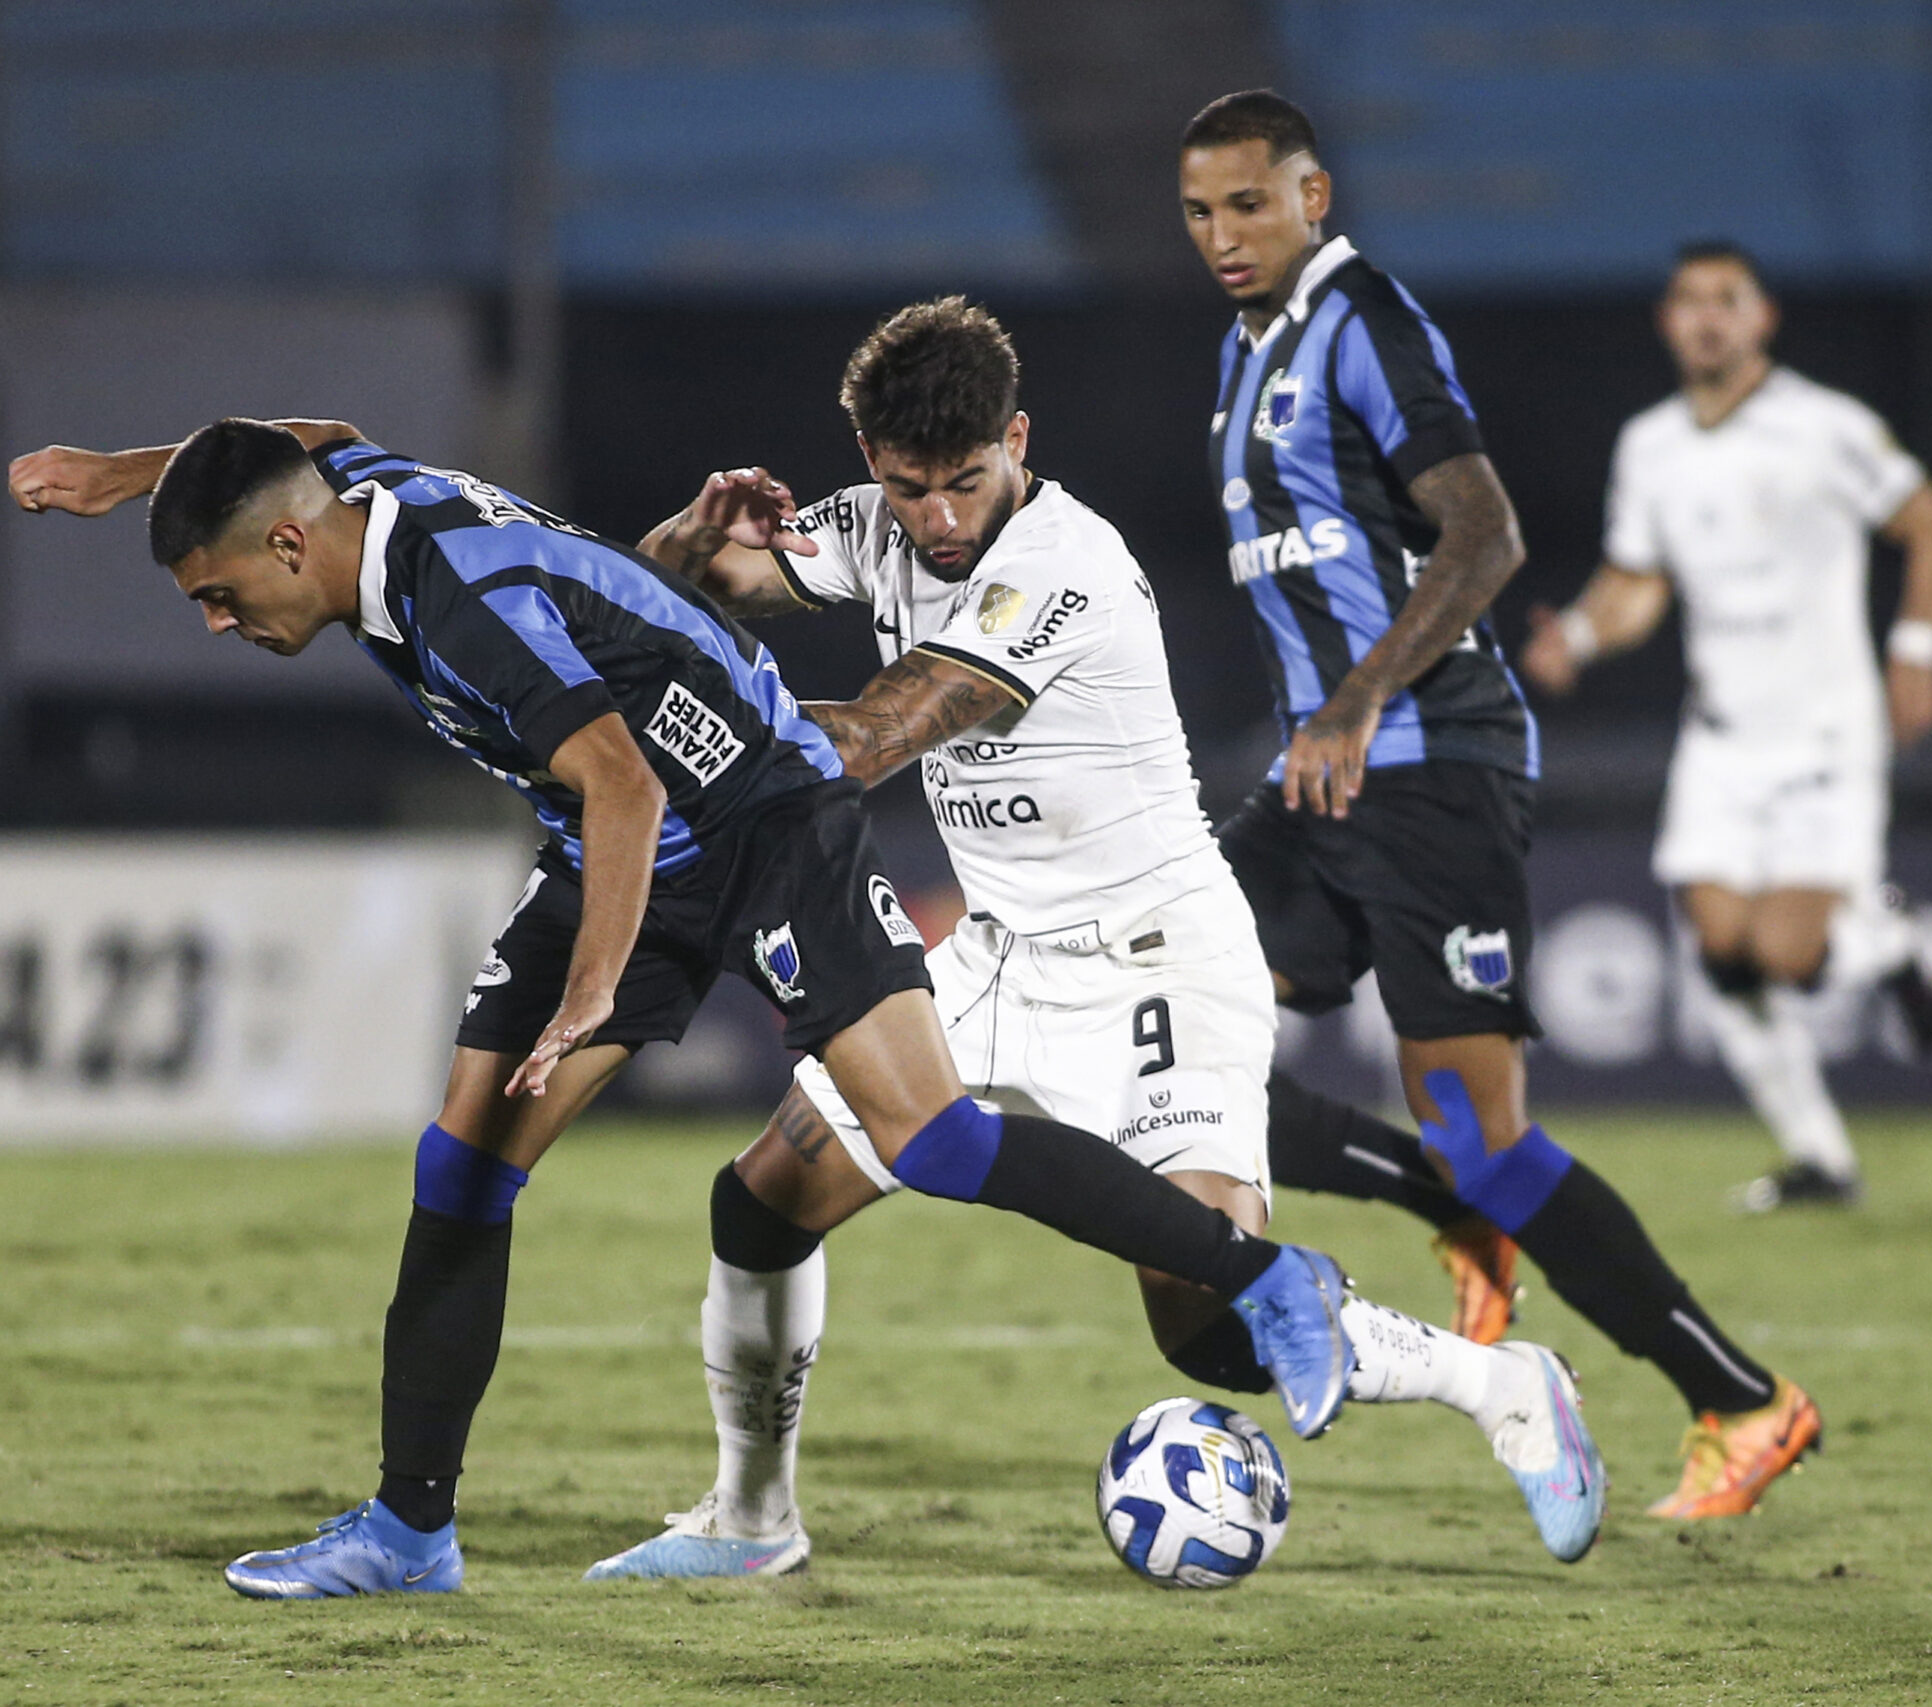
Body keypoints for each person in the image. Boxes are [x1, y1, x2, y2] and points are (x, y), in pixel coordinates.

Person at [5, 417, 1366, 1598]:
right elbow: (293, 433)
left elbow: (625, 783)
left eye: (217, 589)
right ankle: (410, 1524)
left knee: (933, 1138)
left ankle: (1267, 1279)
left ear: (290, 549)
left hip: (763, 815)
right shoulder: (349, 492)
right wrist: (123, 474)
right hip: (630, 852)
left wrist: (592, 989)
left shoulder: (455, 598)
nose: (216, 619)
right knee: (464, 1163)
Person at [571, 298, 1606, 1580]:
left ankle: (1499, 1385)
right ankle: (749, 1517)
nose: (940, 521)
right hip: (998, 954)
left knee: (1203, 1322)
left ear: (1017, 439)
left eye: (966, 482)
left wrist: (663, 717)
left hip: (1155, 958)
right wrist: (682, 538)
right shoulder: (871, 524)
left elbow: (868, 742)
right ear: (871, 464)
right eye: (910, 491)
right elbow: (678, 594)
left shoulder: (1064, 564)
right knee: (763, 1198)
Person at [1176, 89, 1818, 1521]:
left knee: (1487, 1129)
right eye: (1202, 213)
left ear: (1313, 195)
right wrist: (1320, 726)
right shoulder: (1243, 348)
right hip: (1317, 777)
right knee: (1169, 1043)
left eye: (1250, 205)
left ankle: (1743, 1397)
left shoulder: (1366, 322)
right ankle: (1443, 1200)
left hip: (1429, 766)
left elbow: (1488, 533)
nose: (1224, 235)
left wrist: (1352, 699)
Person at [1521, 240, 1932, 1212]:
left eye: (1726, 299)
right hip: (1720, 735)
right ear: (1666, 322)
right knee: (1720, 952)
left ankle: (1896, 947)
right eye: (1689, 301)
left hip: (1823, 728)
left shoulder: (1825, 426)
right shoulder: (1649, 444)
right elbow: (1639, 582)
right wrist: (1582, 637)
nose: (1707, 317)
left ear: (1761, 317)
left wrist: (1919, 650)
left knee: (1784, 954)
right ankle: (1819, 1160)